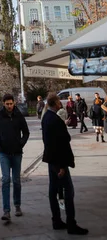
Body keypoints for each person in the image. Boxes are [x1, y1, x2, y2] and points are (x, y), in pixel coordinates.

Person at [42, 93, 88, 235]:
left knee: (53, 190)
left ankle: (56, 219)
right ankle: (71, 223)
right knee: (68, 191)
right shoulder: (55, 120)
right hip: (59, 161)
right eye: (58, 101)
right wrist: (61, 166)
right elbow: (61, 142)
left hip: (52, 160)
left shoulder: (46, 118)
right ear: (55, 102)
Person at [0, 93, 30, 221]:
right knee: (5, 179)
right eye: (7, 104)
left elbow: (26, 132)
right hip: (4, 152)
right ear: (3, 104)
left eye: (11, 103)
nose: (9, 106)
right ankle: (6, 210)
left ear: (14, 103)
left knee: (16, 180)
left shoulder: (18, 115)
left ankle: (17, 205)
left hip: (17, 152)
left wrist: (21, 143)